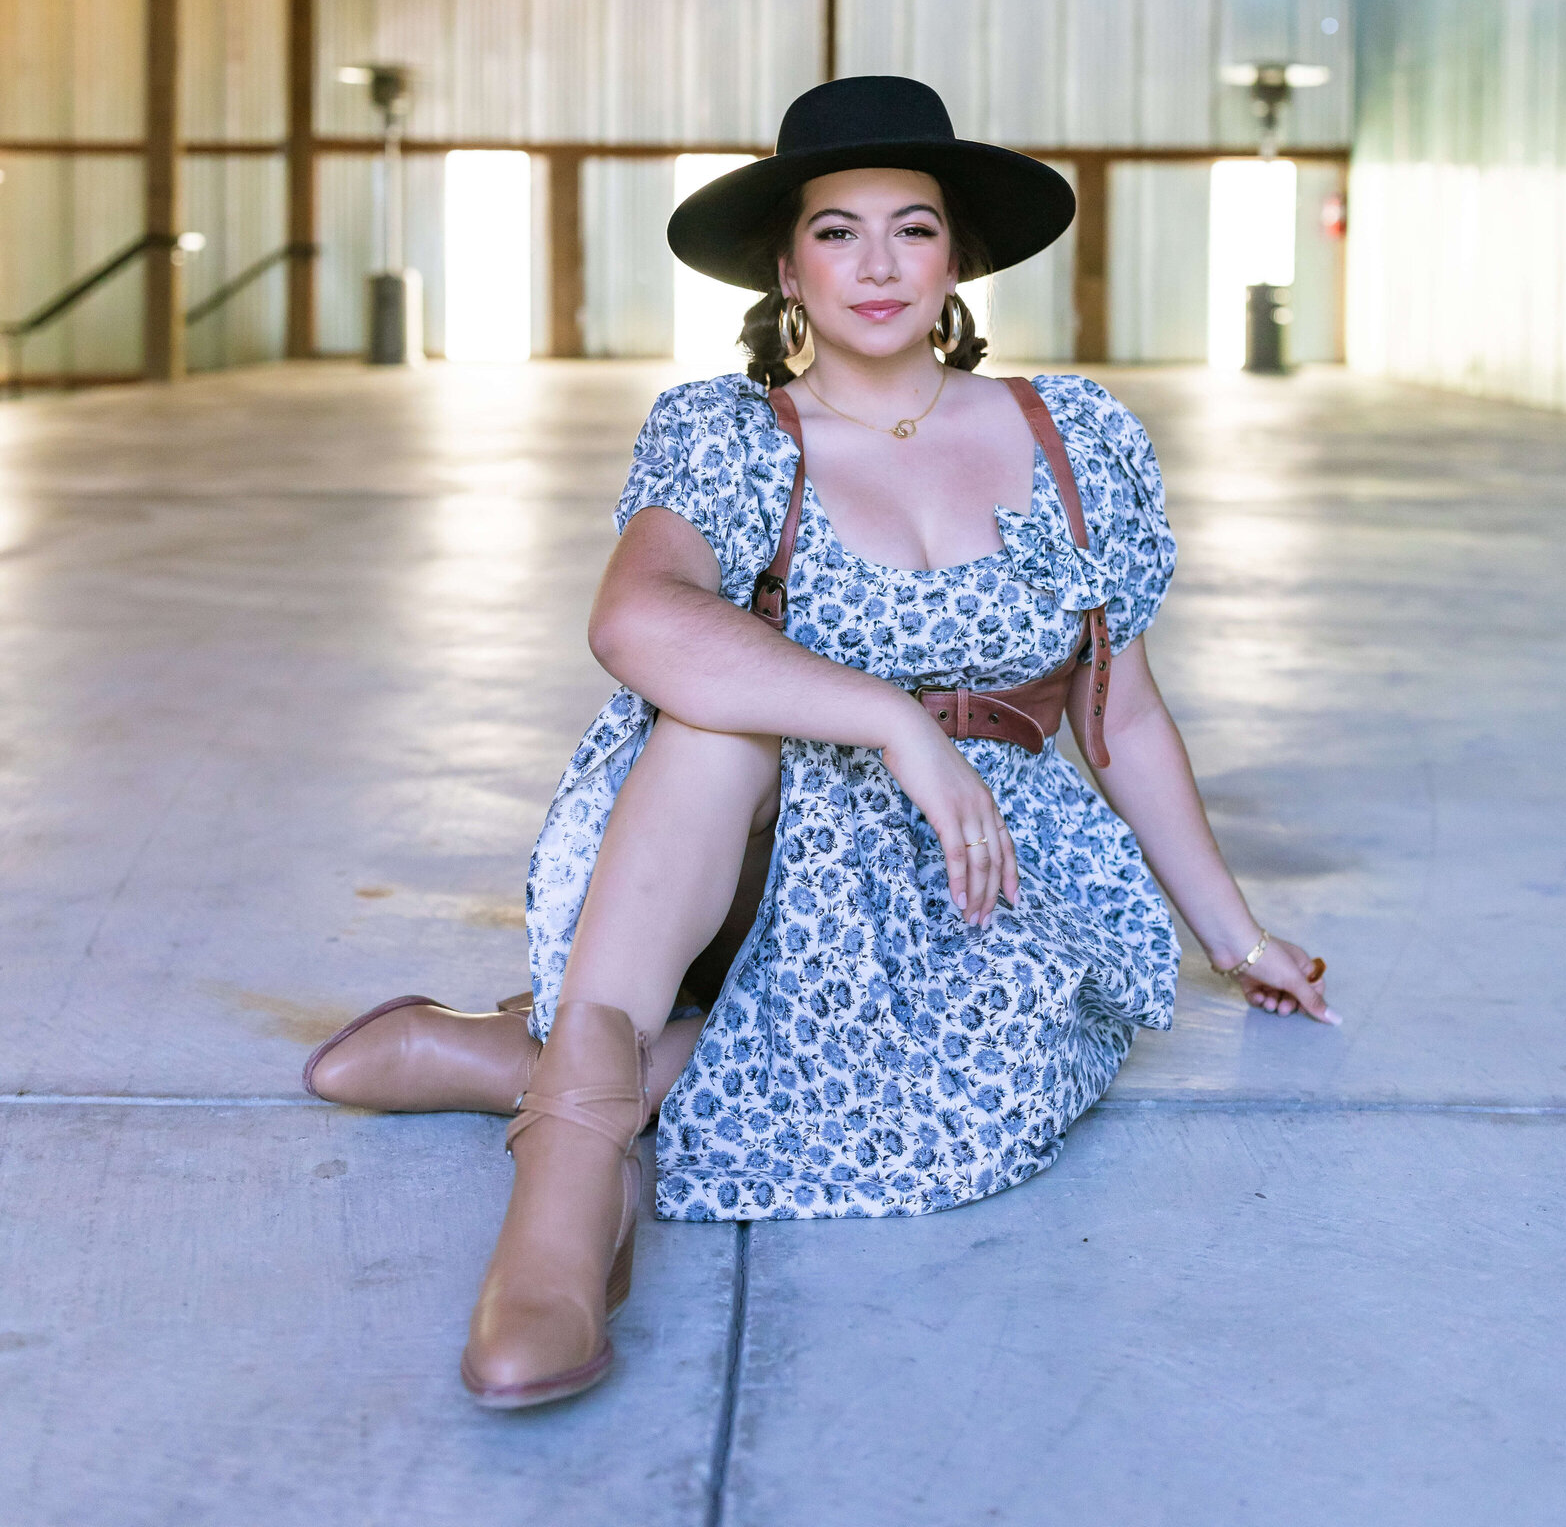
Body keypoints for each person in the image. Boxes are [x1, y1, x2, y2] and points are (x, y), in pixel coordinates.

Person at [304, 75, 1337, 1410]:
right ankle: (560, 1201)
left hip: (980, 864)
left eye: (911, 227)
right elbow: (635, 617)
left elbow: (1122, 719)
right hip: (752, 849)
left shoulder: (1075, 436)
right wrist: (892, 719)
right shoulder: (731, 434)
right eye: (837, 231)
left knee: (982, 1081)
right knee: (711, 710)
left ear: (955, 258)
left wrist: (1239, 940)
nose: (878, 263)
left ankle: (519, 1060)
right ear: (786, 266)